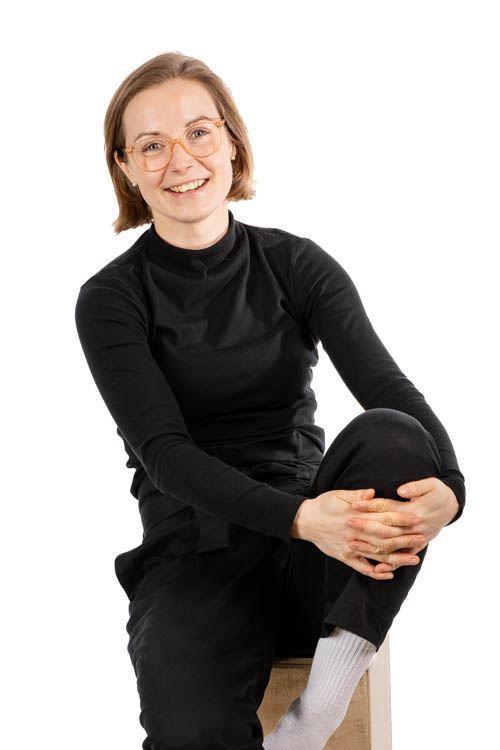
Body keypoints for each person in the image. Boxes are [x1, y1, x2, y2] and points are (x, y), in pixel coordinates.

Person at [74, 51, 465, 750]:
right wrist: (301, 519)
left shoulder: (296, 264)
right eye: (152, 145)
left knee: (394, 434)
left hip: (317, 548)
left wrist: (454, 490)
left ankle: (318, 712)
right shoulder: (110, 299)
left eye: (199, 133)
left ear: (231, 142)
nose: (181, 160)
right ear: (126, 167)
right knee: (188, 729)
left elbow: (390, 388)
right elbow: (165, 455)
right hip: (196, 551)